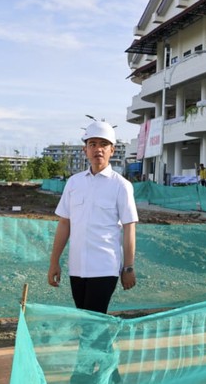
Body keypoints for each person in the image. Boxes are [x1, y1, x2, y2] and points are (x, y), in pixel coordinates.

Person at [47, 120, 137, 382]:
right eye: (93, 144)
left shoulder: (121, 185)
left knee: (90, 324)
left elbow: (129, 227)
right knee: (91, 324)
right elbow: (65, 223)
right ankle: (114, 375)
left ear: (112, 150)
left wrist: (128, 266)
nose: (98, 149)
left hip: (105, 267)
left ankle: (82, 375)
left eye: (104, 145)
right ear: (85, 149)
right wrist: (55, 262)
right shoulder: (74, 183)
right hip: (77, 267)